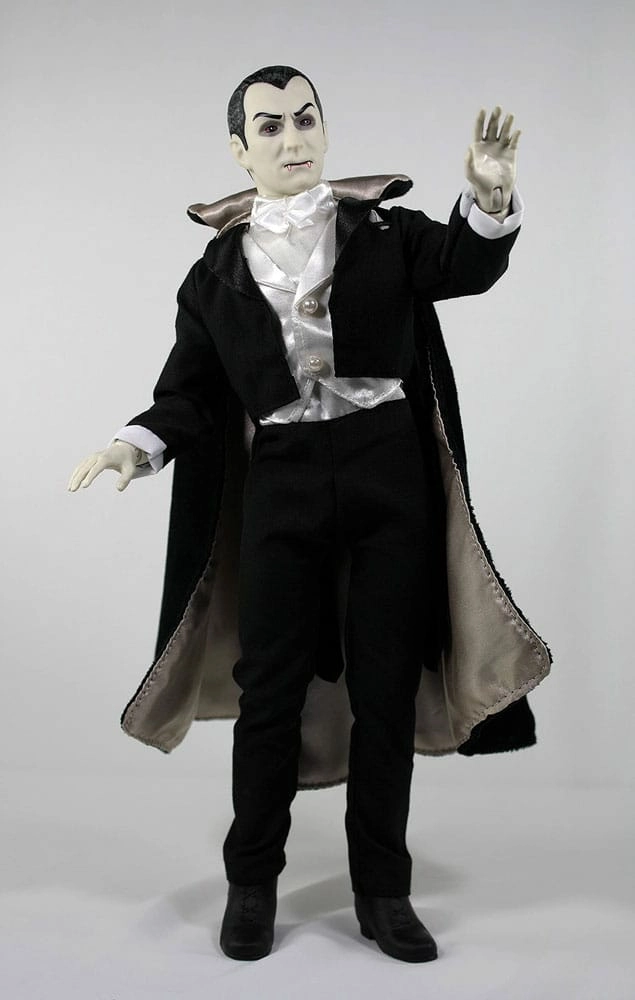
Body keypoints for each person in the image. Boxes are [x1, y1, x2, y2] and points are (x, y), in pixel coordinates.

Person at [69, 66, 551, 963]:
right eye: (269, 126)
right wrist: (134, 446)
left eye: (305, 119)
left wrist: (489, 201)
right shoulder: (214, 272)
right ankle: (251, 883)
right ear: (239, 149)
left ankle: (382, 891)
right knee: (269, 691)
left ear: (323, 129)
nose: (292, 139)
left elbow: (463, 266)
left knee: (384, 687)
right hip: (282, 482)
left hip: (386, 473)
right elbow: (189, 390)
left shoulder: (386, 229)